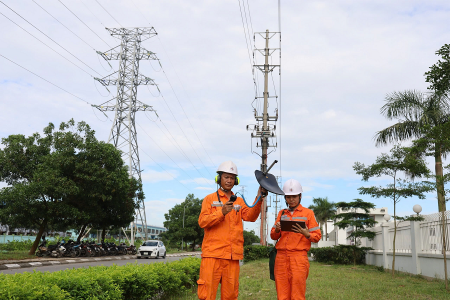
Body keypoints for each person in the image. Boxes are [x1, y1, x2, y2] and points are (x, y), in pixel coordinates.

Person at [197, 161, 266, 300]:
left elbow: (251, 217)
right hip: (212, 256)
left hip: (232, 257)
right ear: (219, 179)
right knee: (207, 295)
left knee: (230, 296)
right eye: (226, 177)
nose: (229, 180)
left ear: (236, 181)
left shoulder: (239, 201)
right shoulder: (209, 199)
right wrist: (221, 212)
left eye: (232, 178)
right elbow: (202, 222)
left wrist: (259, 198)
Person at [270, 179, 321, 300]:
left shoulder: (308, 213)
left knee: (297, 294)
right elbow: (273, 236)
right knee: (282, 293)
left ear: (300, 196)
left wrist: (307, 234)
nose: (291, 200)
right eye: (288, 197)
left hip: (299, 258)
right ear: (285, 198)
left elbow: (317, 236)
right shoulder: (282, 213)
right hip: (281, 258)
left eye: (294, 196)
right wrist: (277, 230)